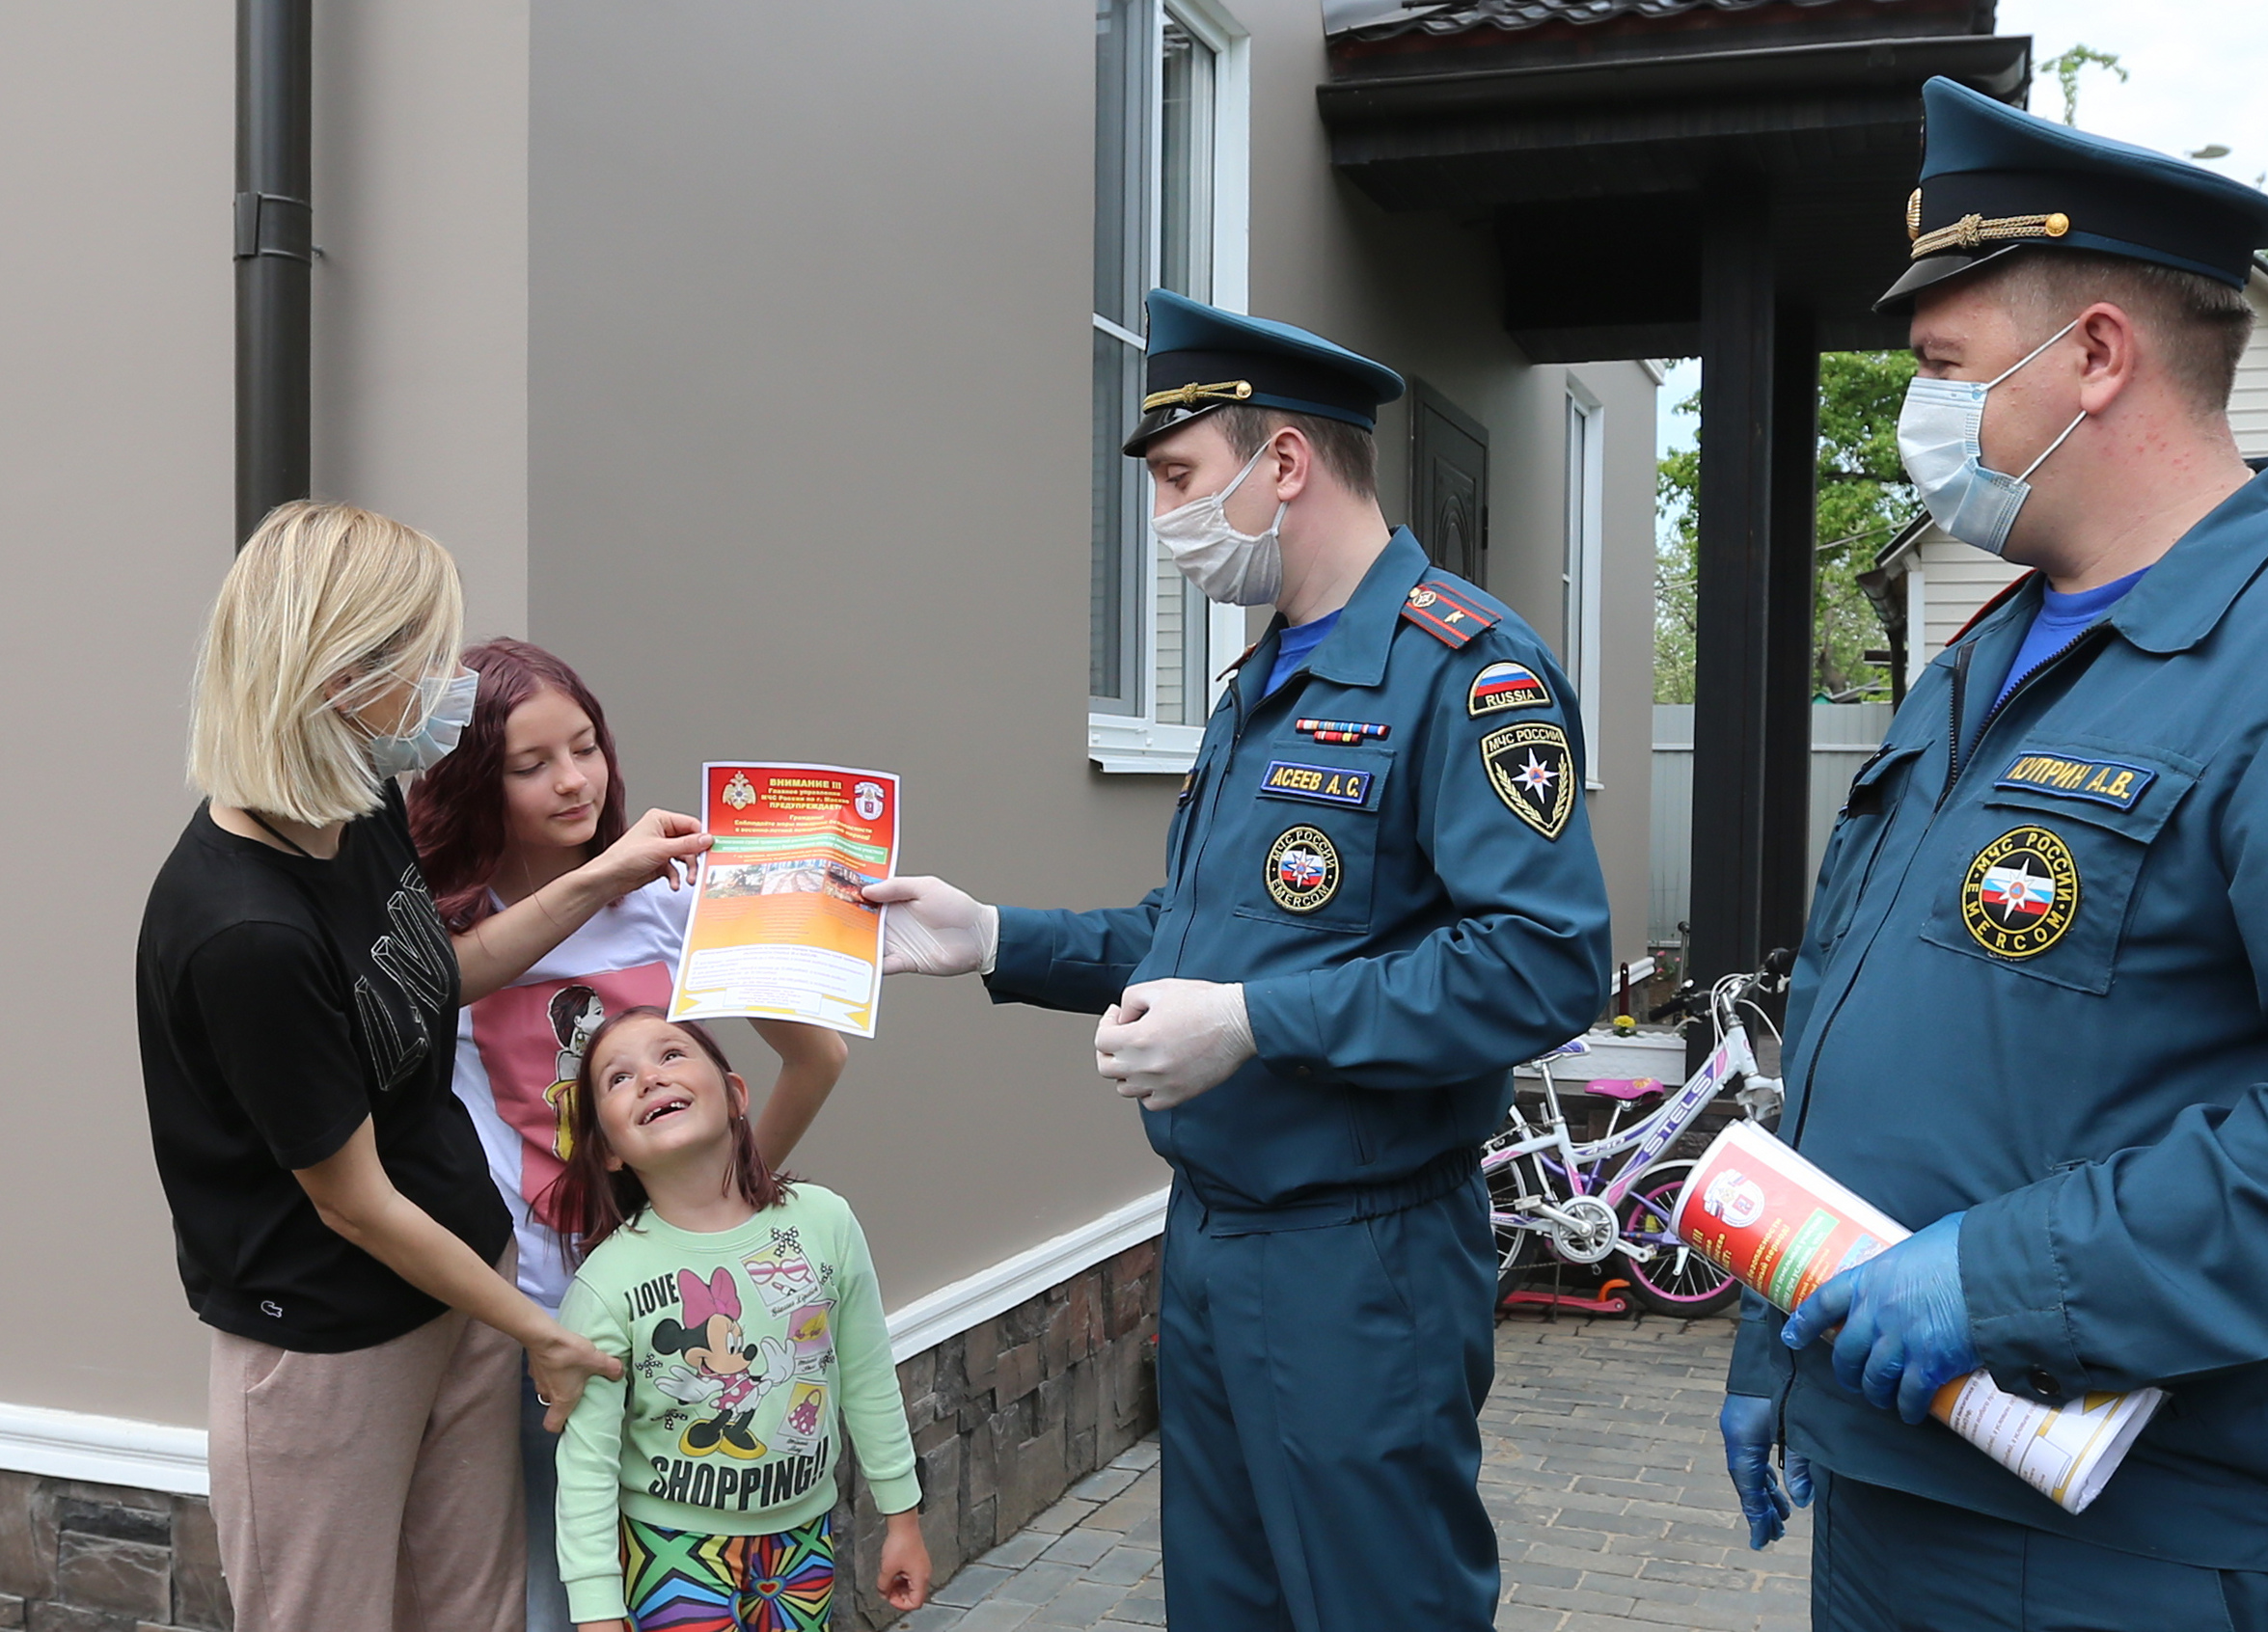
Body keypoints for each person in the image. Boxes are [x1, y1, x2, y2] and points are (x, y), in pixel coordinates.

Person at [1714, 79, 2268, 1631]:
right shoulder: (1990, 656)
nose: (1924, 419)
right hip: (1902, 1477)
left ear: (2097, 359)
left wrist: (2005, 1284)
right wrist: (1782, 1334)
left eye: (1943, 370)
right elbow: (1909, 1041)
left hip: (2134, 1544)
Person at [866, 290, 1611, 1631]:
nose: (1164, 524)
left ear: (1284, 464)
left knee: (1377, 1605)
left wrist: (1262, 1022)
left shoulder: (1468, 669)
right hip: (1213, 1239)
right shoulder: (1264, 683)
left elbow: (1545, 964)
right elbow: (1194, 940)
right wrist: (990, 938)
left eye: (1178, 479)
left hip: (1360, 1255)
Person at [135, 501, 712, 1632]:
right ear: (340, 676)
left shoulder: (354, 806)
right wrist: (535, 1327)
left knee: (476, 1613)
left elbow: (436, 975)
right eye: (421, 654)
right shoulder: (243, 931)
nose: (447, 682)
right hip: (330, 1339)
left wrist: (610, 873)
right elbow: (349, 1204)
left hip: (458, 1282)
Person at [409, 637, 853, 1632]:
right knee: (549, 1593)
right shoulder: (442, 930)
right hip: (532, 1319)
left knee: (683, 1590)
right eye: (531, 765)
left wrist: (720, 1219)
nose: (574, 781)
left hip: (683, 1329)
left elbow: (815, 1059)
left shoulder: (666, 909)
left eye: (586, 748)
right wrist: (604, 877)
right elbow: (443, 986)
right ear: (476, 780)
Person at [547, 1007, 929, 1631]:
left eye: (671, 1055)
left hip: (802, 1539)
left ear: (734, 1095)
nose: (649, 1078)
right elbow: (587, 1462)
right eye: (618, 1078)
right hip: (669, 1547)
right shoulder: (606, 1283)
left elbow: (867, 1375)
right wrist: (595, 1610)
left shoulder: (824, 1222)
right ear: (608, 1149)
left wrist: (902, 1517)